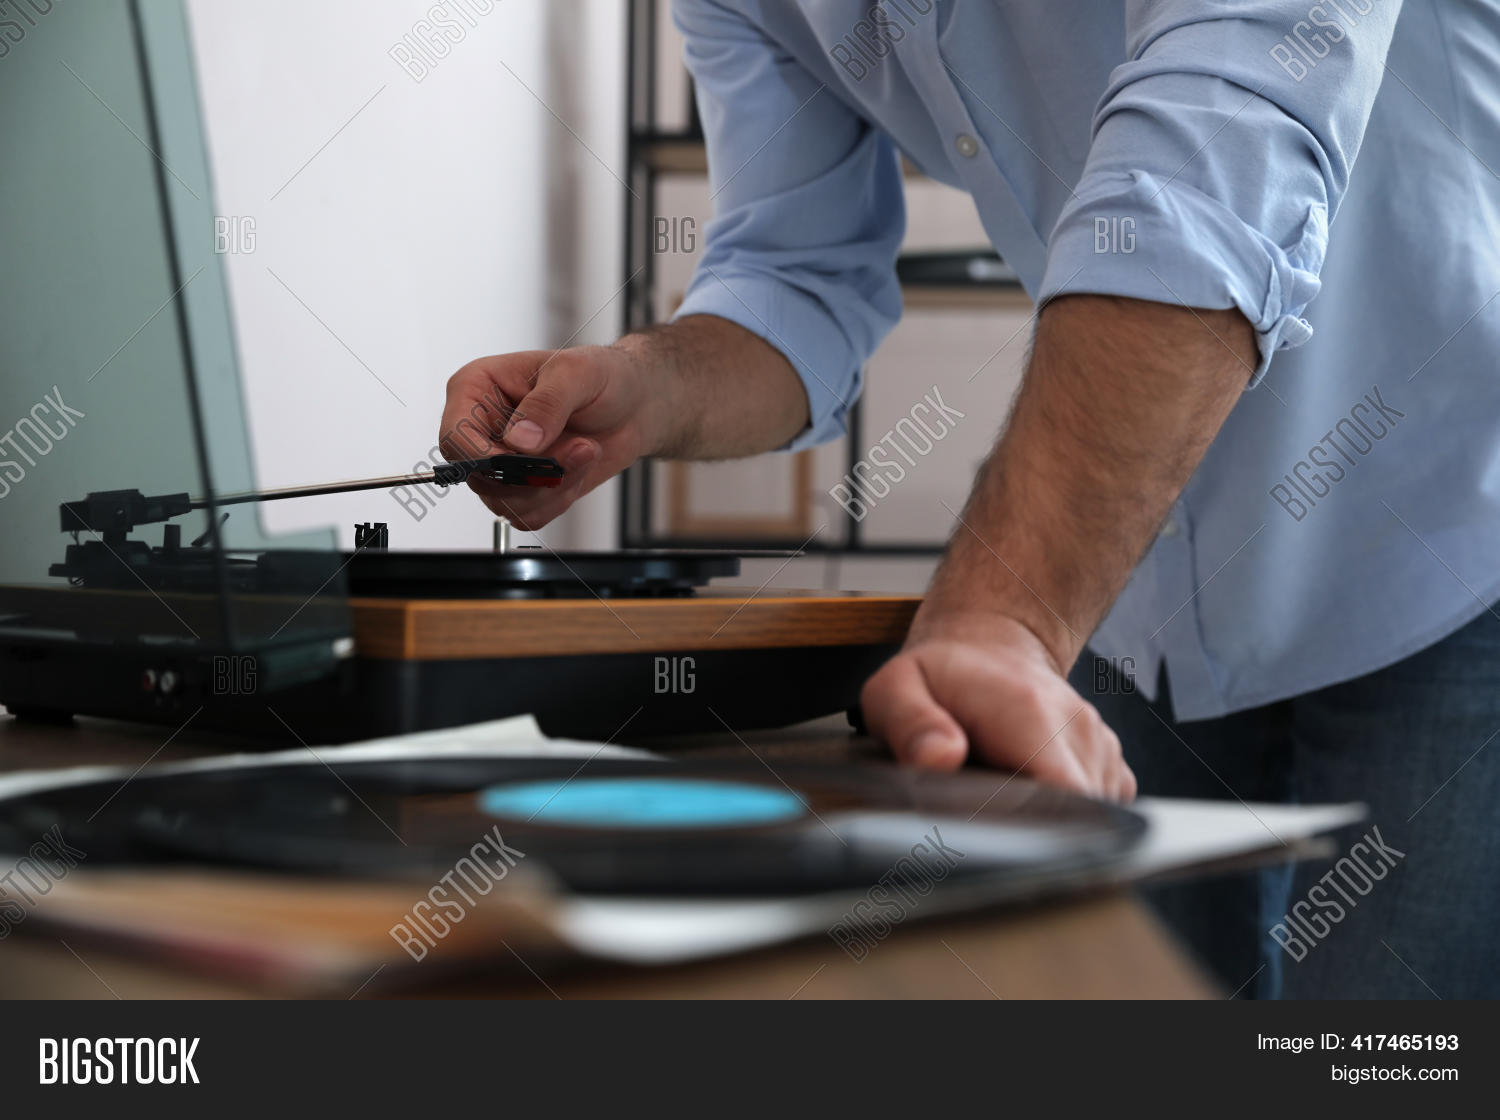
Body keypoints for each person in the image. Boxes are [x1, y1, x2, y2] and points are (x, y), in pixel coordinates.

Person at [440, 2, 1500, 998]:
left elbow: (1220, 142)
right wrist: (651, 382)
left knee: (1395, 1064)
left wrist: (1007, 617)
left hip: (1450, 538)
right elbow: (793, 272)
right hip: (1136, 589)